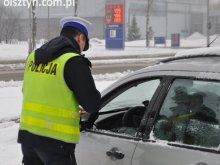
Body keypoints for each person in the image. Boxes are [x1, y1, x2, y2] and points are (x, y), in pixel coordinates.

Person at [17, 17, 101, 165]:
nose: (81, 49)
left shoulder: (33, 57)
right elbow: (92, 104)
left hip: (28, 138)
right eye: (84, 44)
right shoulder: (73, 61)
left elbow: (29, 90)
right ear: (81, 37)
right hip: (57, 143)